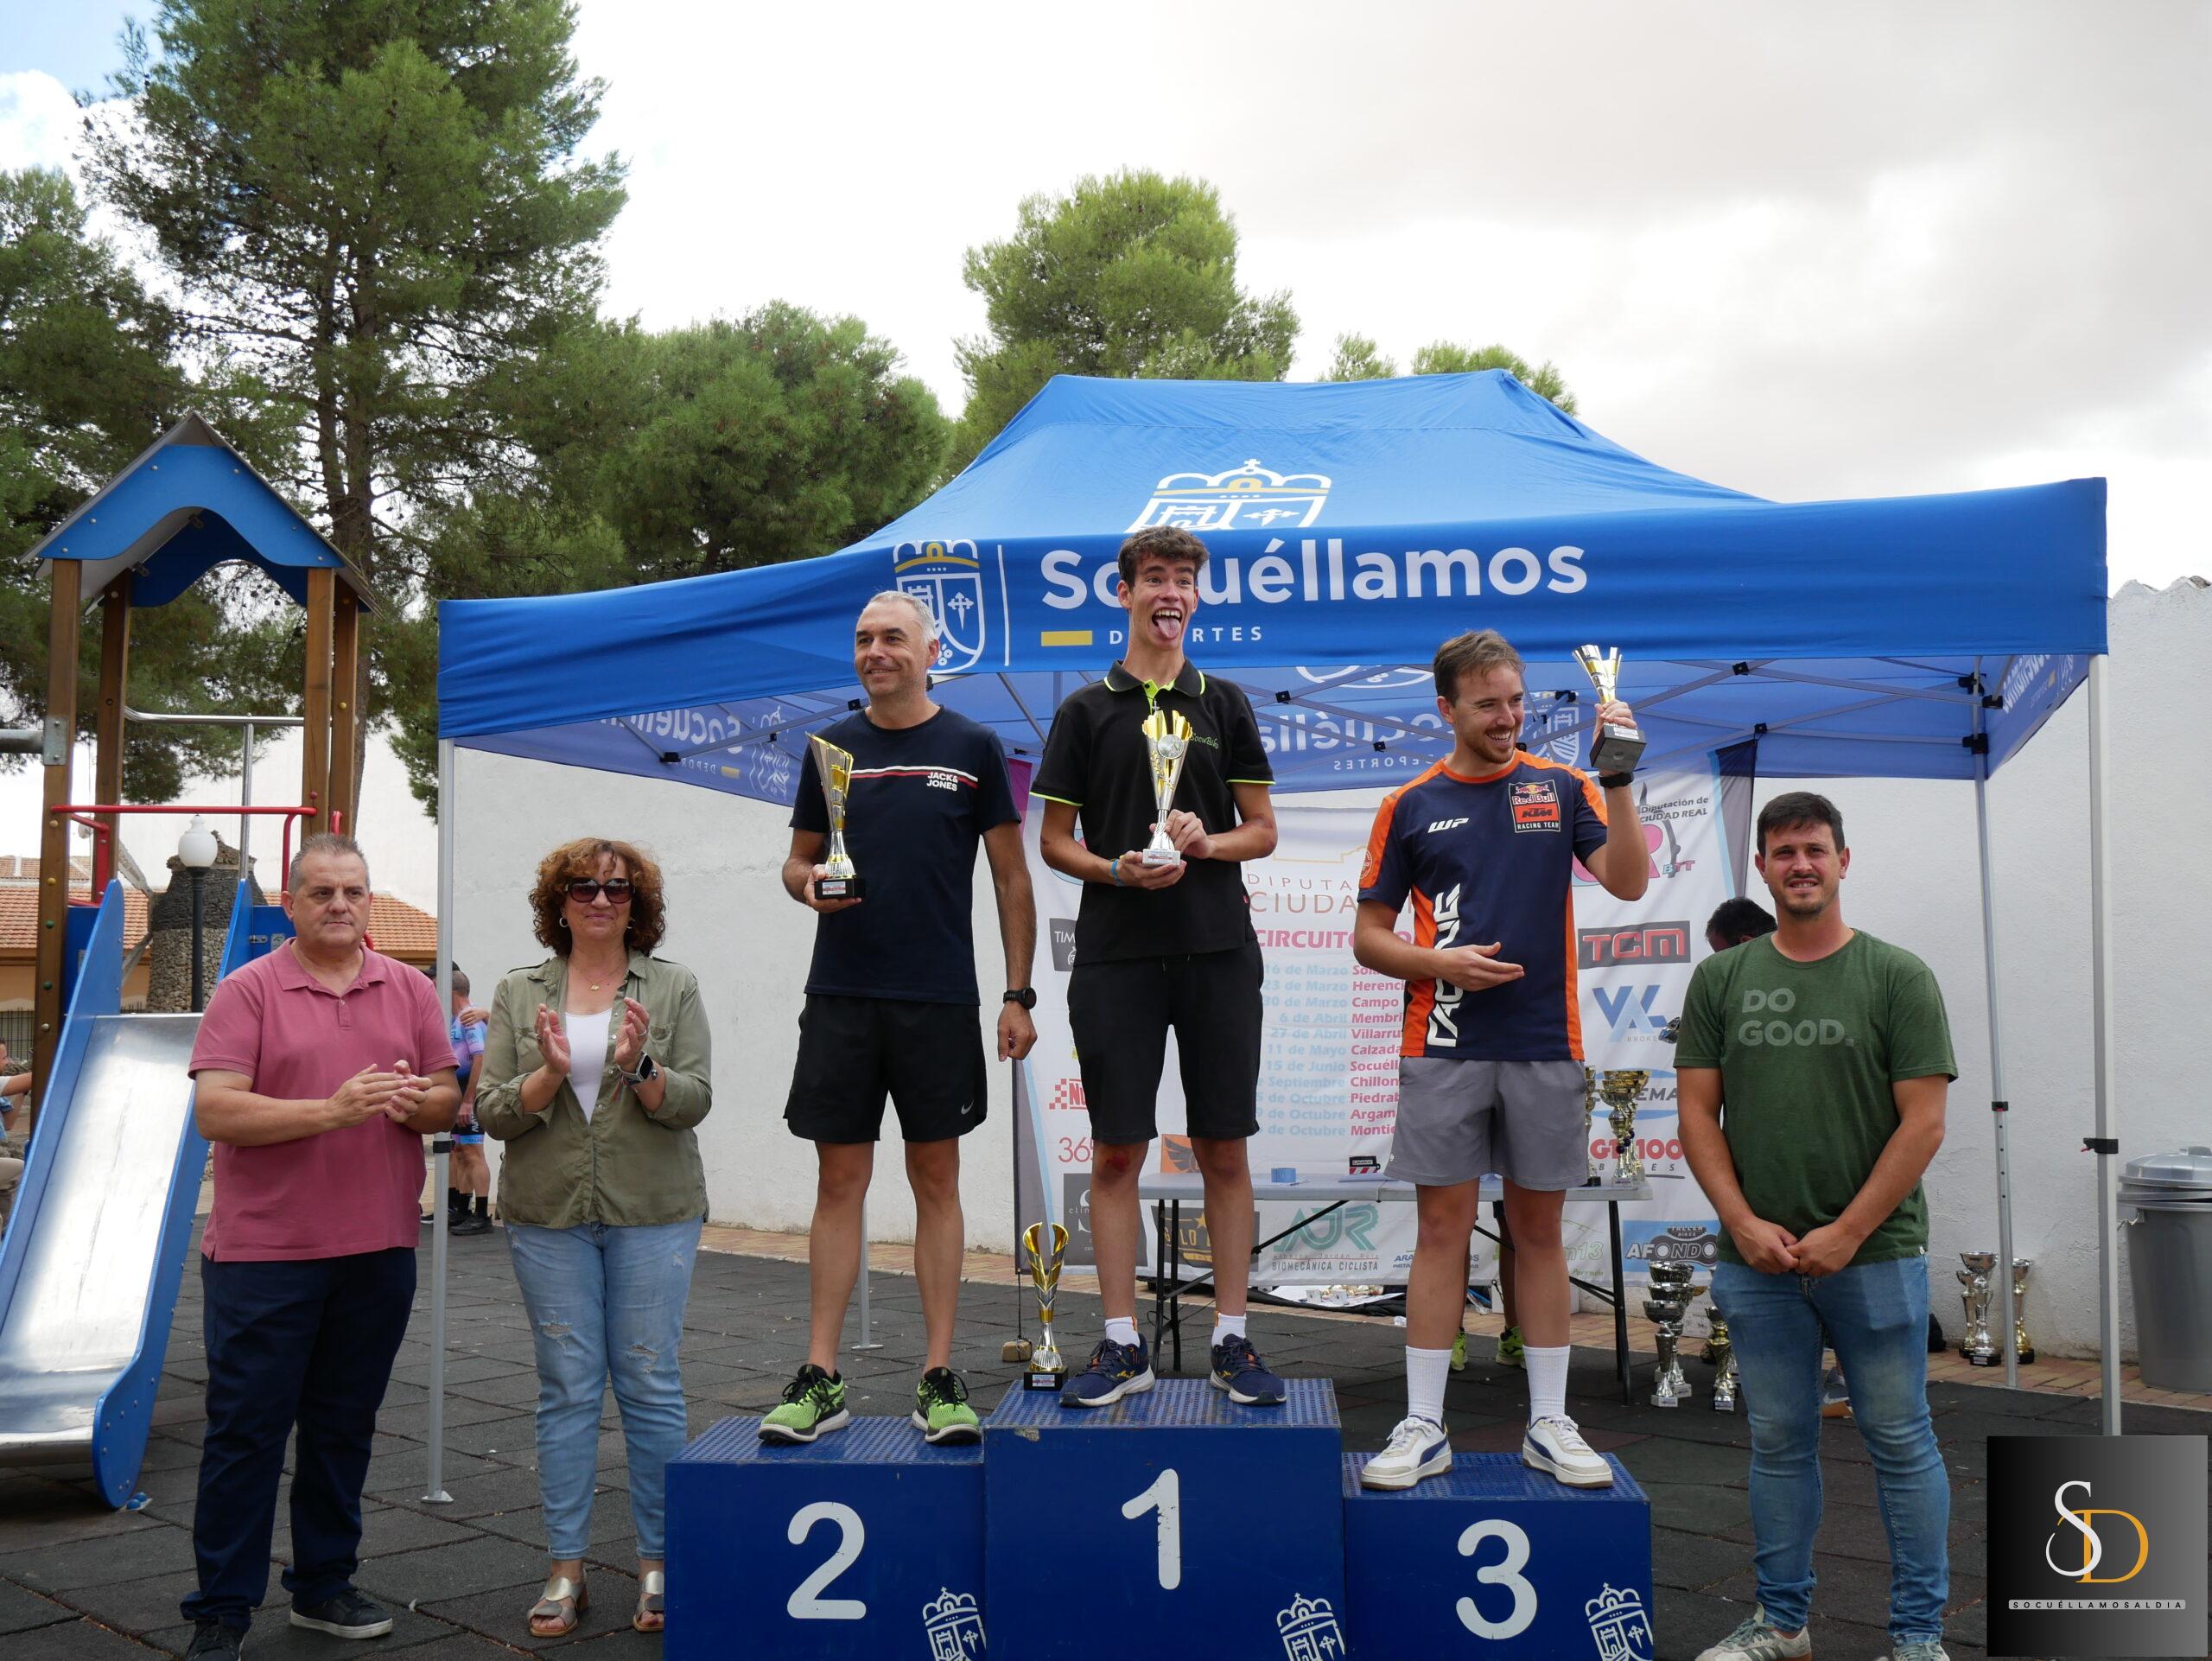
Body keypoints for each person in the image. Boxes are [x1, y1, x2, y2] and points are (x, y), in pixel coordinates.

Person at [1351, 628, 1650, 1492]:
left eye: (1516, 701)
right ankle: (1423, 1422)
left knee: (1538, 1234)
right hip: (1443, 1044)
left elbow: (1629, 880)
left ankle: (1550, 1420)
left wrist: (1620, 779)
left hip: (1544, 1043)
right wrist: (1437, 962)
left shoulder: (1561, 787)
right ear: (1445, 708)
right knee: (1441, 1231)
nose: (1507, 717)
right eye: (1487, 704)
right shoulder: (1410, 804)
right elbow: (1369, 937)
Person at [1678, 792, 1955, 1661]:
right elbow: (1696, 1114)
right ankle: (1781, 1624)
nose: (1801, 863)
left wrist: (1847, 1232)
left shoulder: (1898, 975)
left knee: (1901, 1441)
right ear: (1762, 866)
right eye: (1784, 851)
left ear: (1843, 860)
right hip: (1756, 1259)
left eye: (1815, 849)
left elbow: (1924, 1124)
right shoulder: (1721, 979)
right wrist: (1739, 1221)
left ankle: (1917, 1637)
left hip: (1875, 1255)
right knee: (1778, 1442)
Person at [762, 590, 1037, 1448]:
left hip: (938, 998)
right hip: (842, 995)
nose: (875, 651)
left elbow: (1011, 877)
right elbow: (797, 862)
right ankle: (821, 1375)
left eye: (892, 638)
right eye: (862, 639)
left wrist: (1018, 992)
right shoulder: (829, 748)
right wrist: (808, 885)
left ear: (930, 650)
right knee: (838, 1183)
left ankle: (939, 1375)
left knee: (936, 1182)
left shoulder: (973, 746)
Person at [178, 833, 460, 1661]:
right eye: (323, 892)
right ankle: (222, 1610)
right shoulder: (249, 990)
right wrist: (330, 1112)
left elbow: (446, 1096)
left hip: (378, 1249)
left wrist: (416, 1103)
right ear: (291, 904)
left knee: (343, 1429)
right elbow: (216, 1111)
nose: (341, 904)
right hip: (266, 1257)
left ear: (370, 901)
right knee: (246, 1436)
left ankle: (324, 1584)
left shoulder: (409, 987)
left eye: (354, 891)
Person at [1033, 525, 1284, 1408]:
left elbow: (1262, 830)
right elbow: (1054, 841)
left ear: (1197, 597)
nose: (1168, 592)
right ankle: (1119, 1344)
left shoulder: (1225, 703)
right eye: (1153, 578)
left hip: (1219, 950)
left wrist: (1206, 843)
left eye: (1183, 579)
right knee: (1115, 1153)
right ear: (1126, 593)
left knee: (1224, 1146)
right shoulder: (1084, 710)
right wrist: (1116, 868)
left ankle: (1232, 1338)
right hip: (1116, 955)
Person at [474, 838, 713, 1639]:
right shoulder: (518, 991)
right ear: (559, 902)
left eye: (617, 889)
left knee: (649, 1383)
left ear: (638, 904)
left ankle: (659, 1564)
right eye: (583, 887)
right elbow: (492, 1111)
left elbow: (694, 1100)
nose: (601, 900)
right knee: (568, 1388)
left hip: (654, 1209)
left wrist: (640, 1066)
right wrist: (547, 1073)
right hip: (548, 1213)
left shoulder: (673, 986)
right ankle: (566, 1570)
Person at [444, 966, 493, 1235]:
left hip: (470, 1092)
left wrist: (468, 1101)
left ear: (451, 992)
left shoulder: (469, 1018)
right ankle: (463, 1209)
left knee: (473, 1152)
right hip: (460, 1089)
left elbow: (480, 1059)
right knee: (460, 1152)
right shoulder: (456, 1019)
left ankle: (482, 1215)